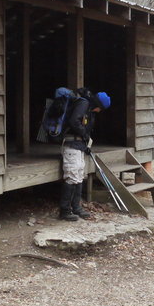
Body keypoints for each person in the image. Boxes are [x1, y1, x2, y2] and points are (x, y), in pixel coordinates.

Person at [58, 89, 111, 221]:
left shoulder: (88, 108)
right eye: (101, 108)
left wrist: (86, 143)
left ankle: (76, 208)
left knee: (80, 175)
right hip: (71, 145)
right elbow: (73, 122)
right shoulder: (83, 104)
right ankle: (64, 211)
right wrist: (85, 134)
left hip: (79, 145)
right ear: (98, 104)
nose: (100, 111)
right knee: (71, 176)